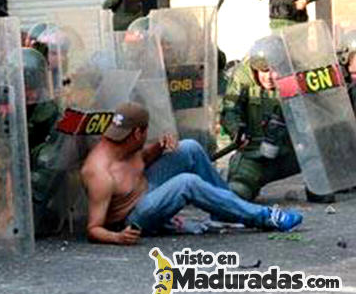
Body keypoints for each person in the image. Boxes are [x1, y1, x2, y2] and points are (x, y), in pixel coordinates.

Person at [81, 101, 303, 244]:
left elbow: (141, 162)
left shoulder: (127, 144)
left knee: (189, 147)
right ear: (138, 133)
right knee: (187, 182)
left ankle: (226, 211)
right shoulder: (99, 172)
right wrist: (118, 237)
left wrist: (160, 146)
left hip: (147, 188)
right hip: (133, 217)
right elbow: (94, 228)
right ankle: (263, 217)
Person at [221, 40, 334, 203]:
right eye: (264, 71)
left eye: (274, 70)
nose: (269, 77)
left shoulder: (297, 74)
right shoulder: (243, 78)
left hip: (294, 151)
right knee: (239, 191)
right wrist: (237, 131)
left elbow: (321, 110)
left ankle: (315, 186)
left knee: (322, 188)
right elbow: (230, 110)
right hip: (255, 154)